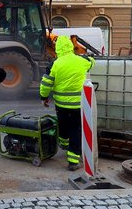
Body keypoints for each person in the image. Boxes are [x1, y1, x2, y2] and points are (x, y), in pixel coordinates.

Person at [39, 36, 94, 171]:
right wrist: (86, 57)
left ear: (57, 48)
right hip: (78, 105)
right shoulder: (82, 61)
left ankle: (64, 144)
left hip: (61, 105)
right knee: (76, 129)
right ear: (70, 47)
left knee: (63, 125)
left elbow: (46, 84)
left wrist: (44, 97)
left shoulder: (55, 64)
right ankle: (73, 160)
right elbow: (92, 62)